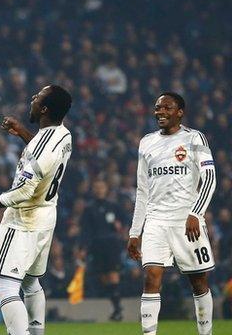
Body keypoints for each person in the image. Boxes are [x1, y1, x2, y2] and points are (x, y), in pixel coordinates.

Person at [0, 85, 73, 335]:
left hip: (24, 221)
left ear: (44, 109)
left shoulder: (39, 146)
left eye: (37, 97)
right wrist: (23, 133)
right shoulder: (64, 135)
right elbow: (43, 157)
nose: (32, 99)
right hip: (46, 217)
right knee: (31, 281)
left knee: (5, 285)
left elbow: (25, 192)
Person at [128, 92, 216, 335]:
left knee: (198, 282)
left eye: (167, 108)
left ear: (180, 112)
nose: (160, 112)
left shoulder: (194, 138)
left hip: (186, 221)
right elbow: (142, 190)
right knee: (151, 278)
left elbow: (209, 177)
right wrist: (135, 232)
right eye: (157, 108)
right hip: (156, 221)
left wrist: (195, 214)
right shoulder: (146, 142)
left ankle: (205, 333)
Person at [81, 179, 124, 320]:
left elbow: (125, 220)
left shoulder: (114, 206)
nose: (99, 190)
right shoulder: (89, 209)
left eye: (102, 187)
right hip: (96, 246)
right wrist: (83, 248)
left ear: (106, 189)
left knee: (112, 274)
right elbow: (85, 231)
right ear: (93, 190)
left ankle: (117, 309)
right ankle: (116, 305)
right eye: (97, 187)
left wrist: (121, 227)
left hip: (111, 244)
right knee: (104, 278)